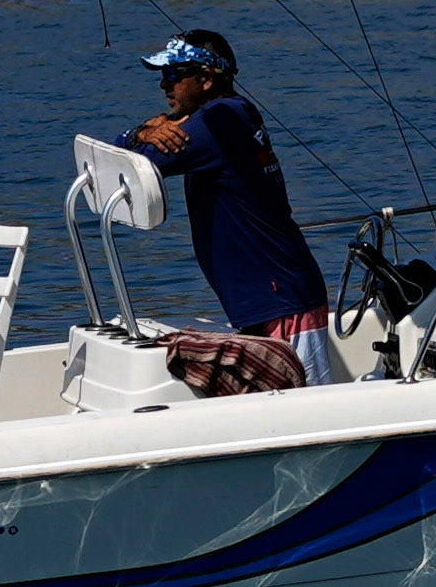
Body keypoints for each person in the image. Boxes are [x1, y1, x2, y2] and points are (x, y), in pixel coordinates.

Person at [126, 30, 337, 389]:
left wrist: (140, 133)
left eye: (174, 75)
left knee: (308, 406)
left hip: (283, 302)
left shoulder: (218, 124)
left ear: (207, 79)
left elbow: (129, 165)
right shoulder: (230, 113)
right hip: (268, 299)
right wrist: (144, 132)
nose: (165, 85)